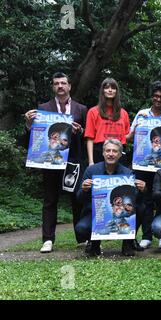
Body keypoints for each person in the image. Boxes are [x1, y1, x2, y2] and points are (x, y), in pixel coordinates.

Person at [24, 72, 87, 253]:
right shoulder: (43, 108)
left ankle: (81, 238)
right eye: (56, 83)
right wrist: (29, 124)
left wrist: (80, 131)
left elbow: (86, 136)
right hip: (50, 162)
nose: (60, 86)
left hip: (73, 161)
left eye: (63, 83)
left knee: (76, 199)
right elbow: (35, 136)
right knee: (50, 200)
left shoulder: (81, 109)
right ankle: (48, 239)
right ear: (53, 87)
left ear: (69, 86)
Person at [127, 81, 161, 249]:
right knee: (144, 199)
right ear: (151, 97)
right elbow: (130, 136)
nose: (158, 99)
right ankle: (147, 235)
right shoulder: (141, 114)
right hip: (142, 165)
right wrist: (135, 130)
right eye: (156, 96)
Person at [75, 139, 147, 257]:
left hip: (122, 214)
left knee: (141, 208)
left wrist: (143, 190)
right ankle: (94, 243)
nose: (111, 154)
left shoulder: (127, 173)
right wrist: (84, 189)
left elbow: (136, 200)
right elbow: (79, 198)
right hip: (94, 213)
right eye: (108, 150)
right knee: (81, 229)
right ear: (103, 153)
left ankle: (128, 243)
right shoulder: (91, 170)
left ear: (119, 154)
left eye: (115, 151)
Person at [84, 78, 130, 166]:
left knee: (119, 179)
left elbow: (126, 137)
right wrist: (91, 161)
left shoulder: (123, 113)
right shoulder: (93, 111)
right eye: (107, 88)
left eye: (113, 88)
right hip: (99, 151)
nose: (110, 90)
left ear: (116, 91)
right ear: (102, 91)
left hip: (119, 151)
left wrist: (137, 130)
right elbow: (90, 138)